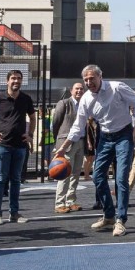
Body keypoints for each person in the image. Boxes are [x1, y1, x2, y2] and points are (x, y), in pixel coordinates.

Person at [55, 64, 135, 237]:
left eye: (91, 78)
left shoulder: (117, 87)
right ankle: (109, 215)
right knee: (97, 176)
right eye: (86, 79)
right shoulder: (86, 99)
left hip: (124, 135)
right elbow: (78, 127)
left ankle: (121, 219)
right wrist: (62, 148)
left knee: (121, 178)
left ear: (100, 76)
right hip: (105, 137)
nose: (89, 82)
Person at [0, 69, 36, 226]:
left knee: (16, 180)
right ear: (7, 81)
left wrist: (30, 134)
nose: (16, 81)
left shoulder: (26, 99)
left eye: (18, 78)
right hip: (2, 146)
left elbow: (32, 117)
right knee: (0, 180)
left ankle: (14, 213)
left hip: (20, 146)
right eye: (13, 78)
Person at [52, 82, 85, 213]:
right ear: (71, 90)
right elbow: (55, 123)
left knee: (76, 173)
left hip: (80, 142)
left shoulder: (84, 104)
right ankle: (59, 203)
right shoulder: (64, 103)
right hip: (66, 143)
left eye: (82, 89)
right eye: (77, 88)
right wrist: (60, 141)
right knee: (64, 173)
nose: (79, 91)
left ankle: (71, 201)